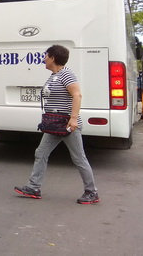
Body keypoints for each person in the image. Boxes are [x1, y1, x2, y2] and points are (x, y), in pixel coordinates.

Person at [14, 44, 99, 204]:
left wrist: (73, 118)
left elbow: (77, 95)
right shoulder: (55, 75)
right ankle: (34, 187)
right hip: (55, 124)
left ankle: (92, 192)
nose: (44, 58)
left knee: (79, 158)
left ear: (53, 57)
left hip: (67, 125)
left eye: (46, 55)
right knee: (41, 153)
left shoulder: (66, 74)